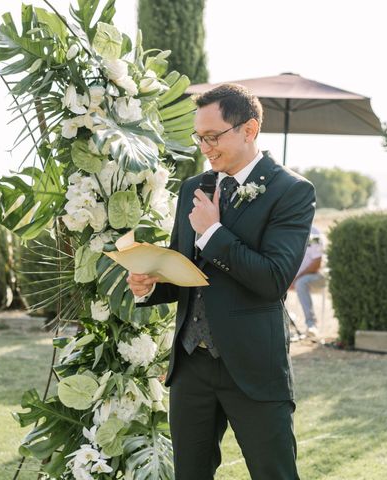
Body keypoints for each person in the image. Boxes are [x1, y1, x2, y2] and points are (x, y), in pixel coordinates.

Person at [127, 84, 315, 480]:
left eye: (213, 137)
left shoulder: (291, 191)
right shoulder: (193, 188)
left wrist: (213, 233)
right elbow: (186, 269)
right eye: (199, 137)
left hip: (253, 367)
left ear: (249, 130)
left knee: (274, 474)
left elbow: (273, 279)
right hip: (191, 365)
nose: (205, 147)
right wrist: (151, 283)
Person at [289, 226, 324, 337]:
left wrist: (296, 278)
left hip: (316, 277)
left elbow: (317, 263)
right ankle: (285, 325)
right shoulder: (289, 231)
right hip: (295, 278)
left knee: (301, 283)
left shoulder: (314, 234)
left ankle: (311, 325)